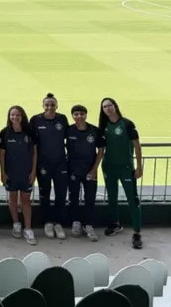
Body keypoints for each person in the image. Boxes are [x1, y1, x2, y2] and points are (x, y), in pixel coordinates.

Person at [98, 97, 144, 249]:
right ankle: (115, 224)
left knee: (133, 199)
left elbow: (137, 146)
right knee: (112, 197)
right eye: (104, 107)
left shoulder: (127, 124)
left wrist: (139, 167)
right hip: (109, 167)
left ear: (115, 106)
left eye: (109, 105)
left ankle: (137, 232)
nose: (107, 108)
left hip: (126, 168)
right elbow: (101, 147)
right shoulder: (103, 126)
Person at [30, 93, 70, 240]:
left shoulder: (62, 119)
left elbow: (68, 137)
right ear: (43, 106)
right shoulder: (35, 120)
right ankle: (47, 222)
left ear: (56, 106)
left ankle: (58, 223)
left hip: (60, 163)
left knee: (61, 193)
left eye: (52, 105)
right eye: (47, 105)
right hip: (43, 163)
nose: (50, 107)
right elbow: (32, 143)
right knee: (44, 194)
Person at [0, 105, 37, 245]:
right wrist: (3, 172)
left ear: (22, 117)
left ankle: (28, 228)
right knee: (13, 198)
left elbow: (35, 153)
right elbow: (2, 155)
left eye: (18, 115)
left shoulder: (30, 132)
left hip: (26, 172)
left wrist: (33, 171)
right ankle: (16, 224)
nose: (15, 117)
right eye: (12, 115)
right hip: (11, 172)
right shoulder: (5, 132)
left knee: (26, 200)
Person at [66, 104, 104, 242]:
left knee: (90, 198)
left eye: (82, 114)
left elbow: (101, 150)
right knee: (73, 197)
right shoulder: (68, 130)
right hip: (73, 170)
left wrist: (94, 169)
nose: (79, 116)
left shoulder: (95, 130)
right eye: (76, 114)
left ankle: (88, 225)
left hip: (90, 170)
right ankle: (76, 222)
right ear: (72, 116)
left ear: (86, 115)